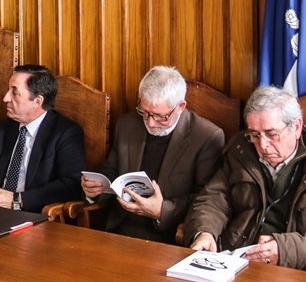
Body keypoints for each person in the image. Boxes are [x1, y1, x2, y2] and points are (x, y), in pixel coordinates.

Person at [81, 66, 224, 244]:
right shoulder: (127, 124)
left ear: (180, 107)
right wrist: (95, 188)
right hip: (119, 230)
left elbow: (206, 198)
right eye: (144, 112)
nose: (150, 123)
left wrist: (162, 210)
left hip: (168, 238)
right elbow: (111, 170)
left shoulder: (206, 136)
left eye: (159, 116)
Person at [185, 86, 306, 270]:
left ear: (296, 127)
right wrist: (204, 232)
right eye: (255, 135)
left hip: (295, 270)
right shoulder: (241, 148)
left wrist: (286, 250)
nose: (263, 145)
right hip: (234, 259)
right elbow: (214, 199)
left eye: (272, 134)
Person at [0, 64, 85, 212]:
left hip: (34, 214)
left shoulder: (65, 132)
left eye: (14, 92)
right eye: (8, 90)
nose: (5, 98)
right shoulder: (7, 127)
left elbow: (71, 184)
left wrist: (17, 199)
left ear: (37, 101)